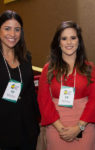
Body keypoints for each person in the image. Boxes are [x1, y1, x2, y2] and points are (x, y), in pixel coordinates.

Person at [38, 21, 95, 150]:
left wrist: (79, 127)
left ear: (79, 42)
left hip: (85, 129)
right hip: (56, 129)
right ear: (58, 42)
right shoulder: (48, 69)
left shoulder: (90, 68)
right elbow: (43, 100)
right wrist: (60, 128)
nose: (69, 42)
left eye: (73, 38)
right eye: (64, 38)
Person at [0, 10, 40, 150]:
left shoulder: (26, 57)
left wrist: (36, 124)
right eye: (7, 28)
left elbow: (30, 93)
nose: (12, 34)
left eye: (17, 29)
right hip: (4, 133)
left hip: (28, 130)